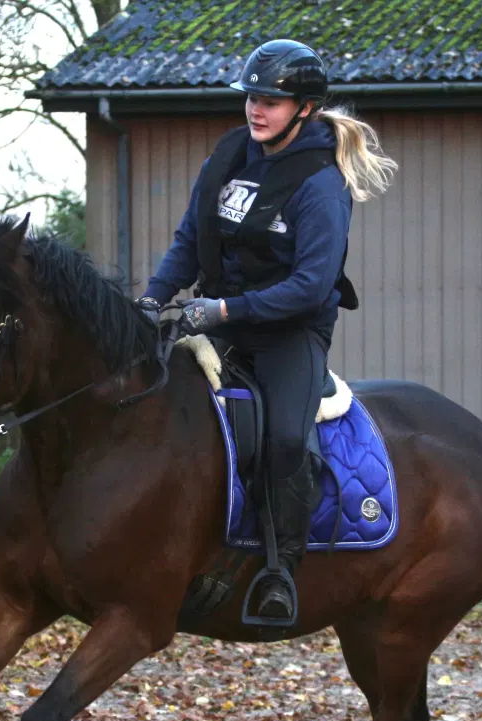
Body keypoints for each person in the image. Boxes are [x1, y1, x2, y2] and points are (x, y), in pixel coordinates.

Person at [136, 38, 399, 625]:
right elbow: (188, 241)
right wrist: (152, 299)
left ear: (304, 108)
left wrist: (224, 311)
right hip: (219, 320)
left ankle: (281, 570)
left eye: (272, 101)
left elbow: (310, 286)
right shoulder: (231, 155)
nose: (257, 109)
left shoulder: (321, 185)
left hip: (289, 335)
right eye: (252, 97)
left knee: (283, 439)